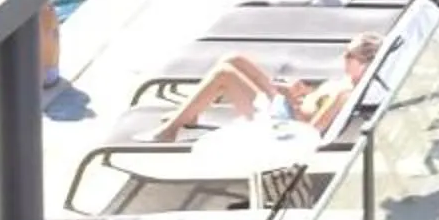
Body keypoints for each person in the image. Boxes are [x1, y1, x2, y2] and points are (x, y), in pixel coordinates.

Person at [153, 34, 382, 143]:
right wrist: (302, 94)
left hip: (279, 123)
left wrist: (293, 101)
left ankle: (170, 130)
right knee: (234, 59)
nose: (344, 56)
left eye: (349, 55)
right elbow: (315, 105)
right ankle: (190, 115)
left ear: (363, 65)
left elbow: (310, 132)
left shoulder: (344, 94)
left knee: (224, 74)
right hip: (286, 108)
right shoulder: (345, 83)